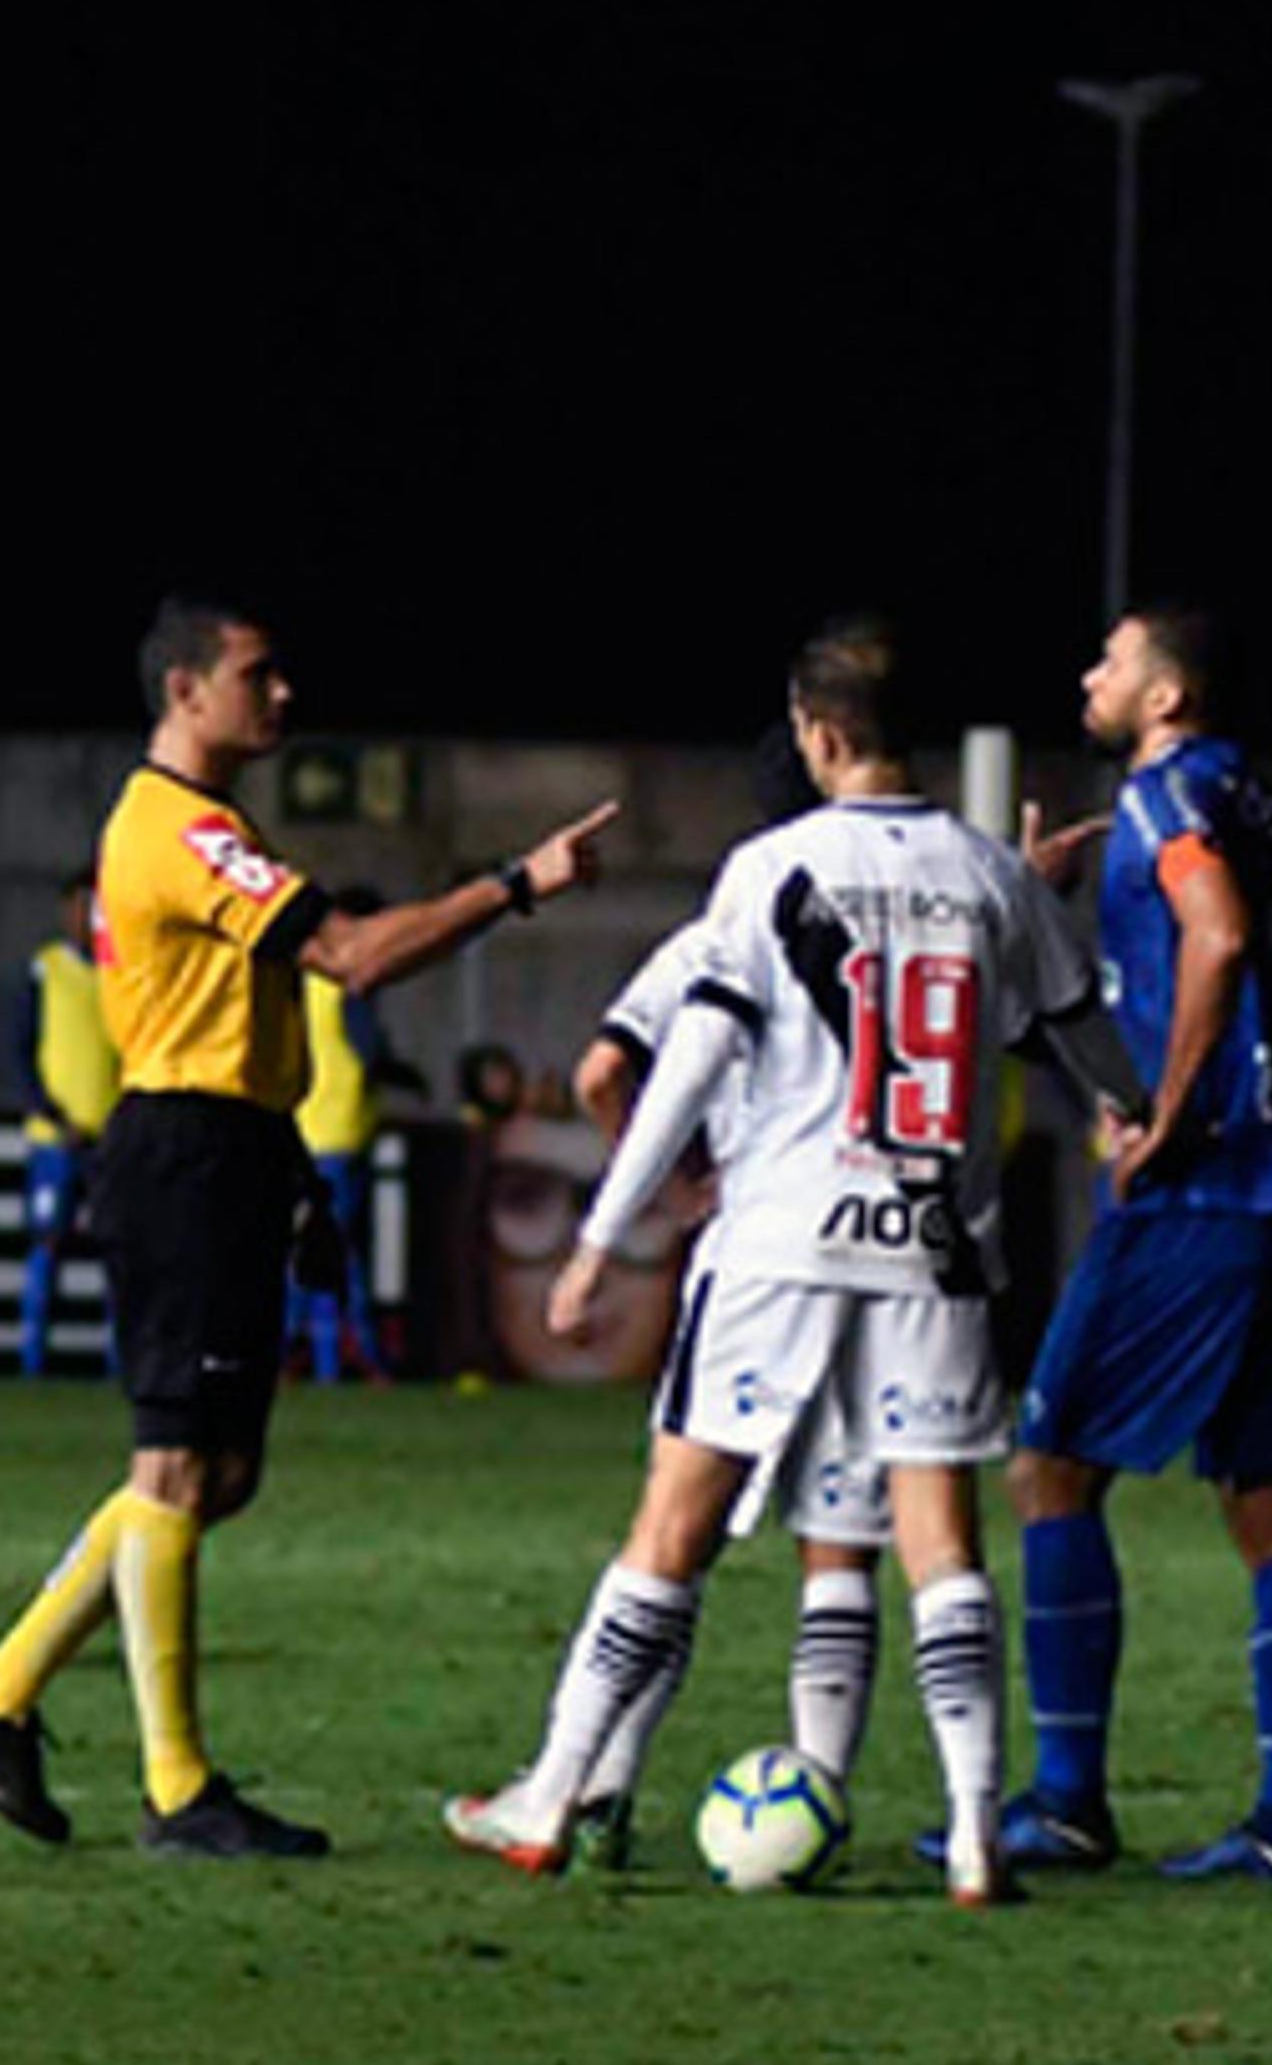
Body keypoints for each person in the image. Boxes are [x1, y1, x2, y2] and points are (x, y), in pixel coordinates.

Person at [0, 596, 616, 1861]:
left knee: (216, 1476)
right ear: (184, 690)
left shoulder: (204, 826)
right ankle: (175, 1793)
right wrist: (517, 883)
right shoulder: (182, 830)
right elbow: (349, 957)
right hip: (185, 1157)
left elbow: (244, 1019)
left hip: (225, 1148)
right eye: (257, 674)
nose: (282, 695)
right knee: (177, 1472)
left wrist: (286, 1173)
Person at [442, 620, 1132, 1908]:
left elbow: (687, 1063)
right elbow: (1090, 1038)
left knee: (673, 1526)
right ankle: (978, 1833)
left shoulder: (770, 870)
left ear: (817, 734)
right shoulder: (991, 876)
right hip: (933, 1248)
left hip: (782, 1241)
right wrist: (1132, 1106)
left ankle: (554, 1791)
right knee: (941, 1542)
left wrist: (604, 1236)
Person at [962, 605, 1272, 1886]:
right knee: (1265, 1504)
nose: (1090, 676)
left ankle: (1067, 1799)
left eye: (1111, 661)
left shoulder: (1163, 798)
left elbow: (1217, 932)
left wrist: (1169, 1117)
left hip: (1204, 1190)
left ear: (1167, 693)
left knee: (1049, 1465)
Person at [290, 888, 398, 1384]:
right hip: (343, 1129)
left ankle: (299, 1350)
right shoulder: (352, 985)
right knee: (339, 1250)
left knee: (306, 1246)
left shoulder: (306, 981)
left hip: (308, 1127)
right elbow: (369, 1050)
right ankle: (348, 1358)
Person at [12, 872, 118, 1377]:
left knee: (119, 1252)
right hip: (56, 1140)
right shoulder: (46, 969)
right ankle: (33, 1361)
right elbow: (21, 1049)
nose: (85, 919)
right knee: (47, 1245)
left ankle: (120, 1364)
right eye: (78, 908)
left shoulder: (120, 971)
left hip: (110, 1140)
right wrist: (52, 1113)